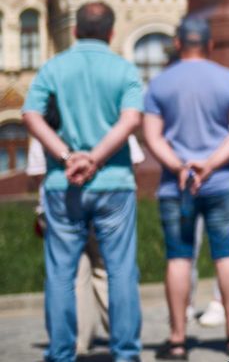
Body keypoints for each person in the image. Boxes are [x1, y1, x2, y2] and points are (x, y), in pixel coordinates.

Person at [21, 1, 144, 362]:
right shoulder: (124, 69)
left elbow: (30, 115)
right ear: (111, 32)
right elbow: (132, 118)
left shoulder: (53, 68)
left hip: (63, 184)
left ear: (75, 30)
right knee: (120, 270)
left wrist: (66, 156)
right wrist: (97, 157)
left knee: (61, 273)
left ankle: (61, 353)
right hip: (114, 181)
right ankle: (125, 353)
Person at [143, 15, 229, 360]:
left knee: (179, 258)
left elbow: (152, 136)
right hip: (220, 181)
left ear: (177, 44)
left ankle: (177, 339)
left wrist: (179, 165)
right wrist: (210, 164)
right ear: (210, 45)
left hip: (176, 185)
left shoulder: (159, 84)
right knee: (226, 254)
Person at [27, 134, 145, 356]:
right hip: (110, 193)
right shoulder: (111, 112)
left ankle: (76, 342)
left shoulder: (49, 112)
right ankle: (122, 341)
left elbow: (37, 171)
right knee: (111, 271)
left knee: (70, 275)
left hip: (61, 197)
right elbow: (135, 159)